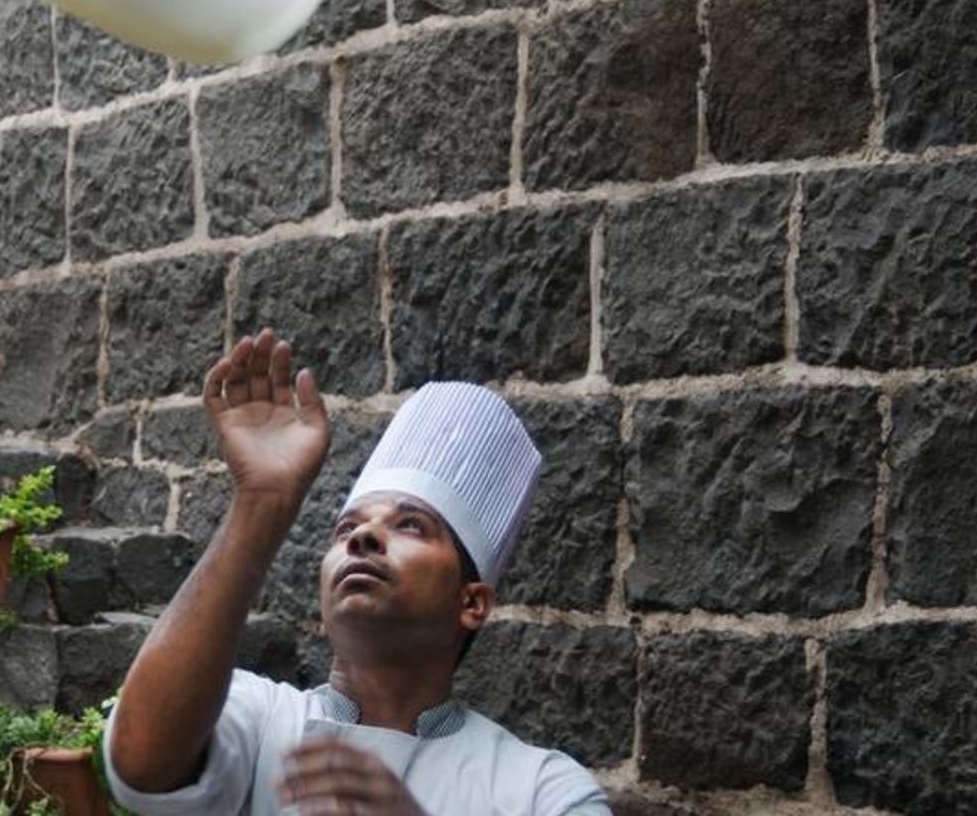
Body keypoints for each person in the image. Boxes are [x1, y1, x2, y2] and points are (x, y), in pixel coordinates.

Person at [104, 329, 612, 815]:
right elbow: (140, 763)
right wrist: (261, 501)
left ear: (471, 602)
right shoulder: (255, 720)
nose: (362, 538)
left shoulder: (541, 790)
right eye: (347, 528)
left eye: (411, 525)